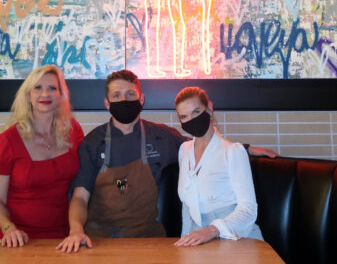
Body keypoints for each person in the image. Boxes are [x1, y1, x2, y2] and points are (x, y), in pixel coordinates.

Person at [56, 70, 275, 253]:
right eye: (117, 95)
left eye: (131, 94)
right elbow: (80, 197)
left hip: (148, 238)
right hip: (100, 238)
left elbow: (204, 144)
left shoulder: (161, 137)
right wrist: (76, 230)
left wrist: (245, 149)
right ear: (107, 103)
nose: (124, 100)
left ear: (141, 100)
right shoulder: (92, 142)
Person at [0, 64, 84, 247]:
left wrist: (122, 185)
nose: (45, 94)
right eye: (37, 88)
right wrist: (9, 228)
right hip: (14, 234)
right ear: (28, 96)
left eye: (52, 88)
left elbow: (88, 182)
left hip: (63, 233)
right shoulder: (8, 140)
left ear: (61, 95)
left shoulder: (74, 132)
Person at [173, 86, 264, 246]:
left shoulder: (233, 151)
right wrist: (184, 243)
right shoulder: (184, 150)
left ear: (209, 108)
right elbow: (187, 208)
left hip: (237, 238)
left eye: (196, 112)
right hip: (199, 242)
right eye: (184, 116)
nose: (191, 119)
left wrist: (212, 230)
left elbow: (248, 210)